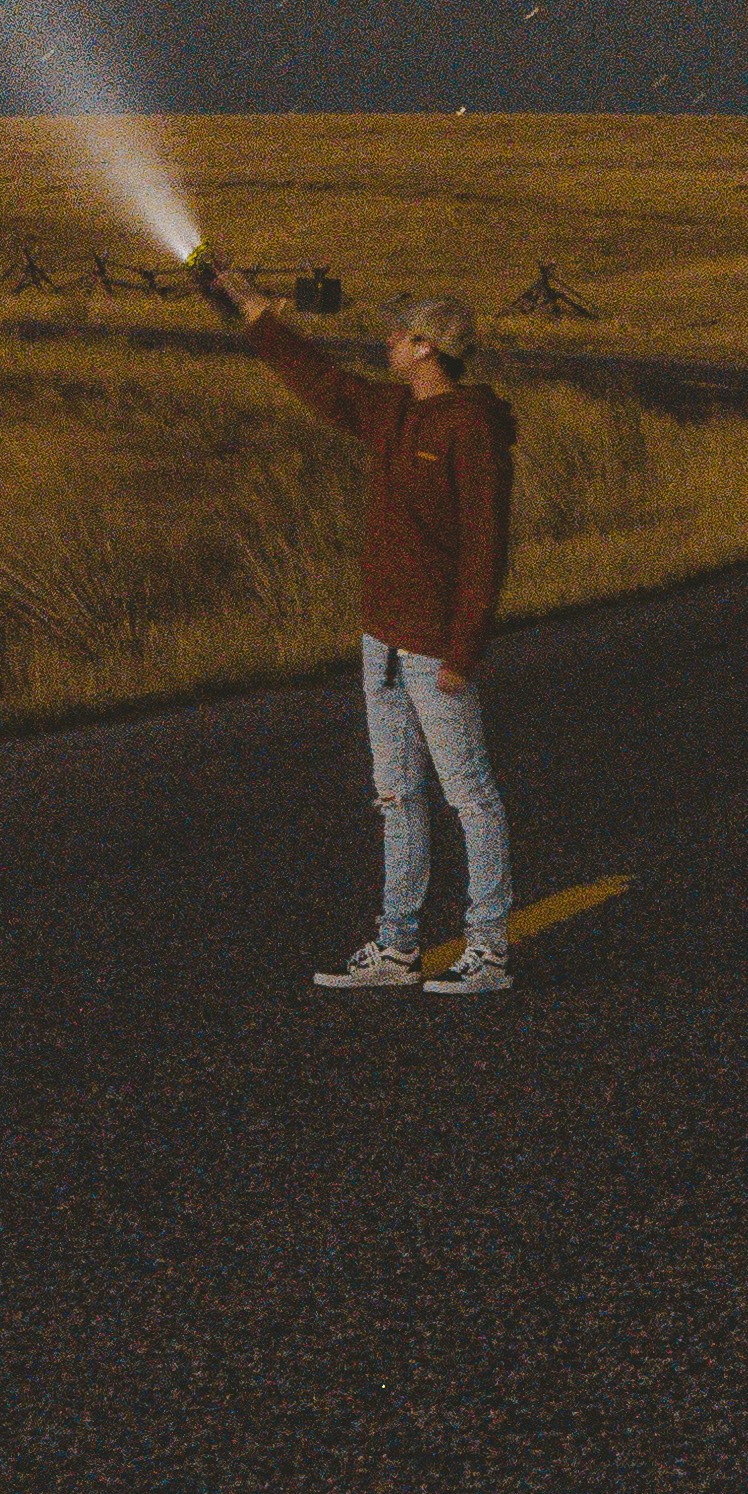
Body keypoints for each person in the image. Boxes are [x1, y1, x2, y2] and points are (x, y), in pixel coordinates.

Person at [196, 260, 518, 996]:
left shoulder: (469, 427)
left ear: (428, 348)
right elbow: (323, 384)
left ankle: (490, 950)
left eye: (400, 335)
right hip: (382, 639)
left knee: (469, 793)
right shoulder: (396, 412)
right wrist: (255, 314)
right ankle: (399, 948)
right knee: (396, 794)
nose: (389, 341)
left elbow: (484, 546)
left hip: (435, 644)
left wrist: (464, 649)